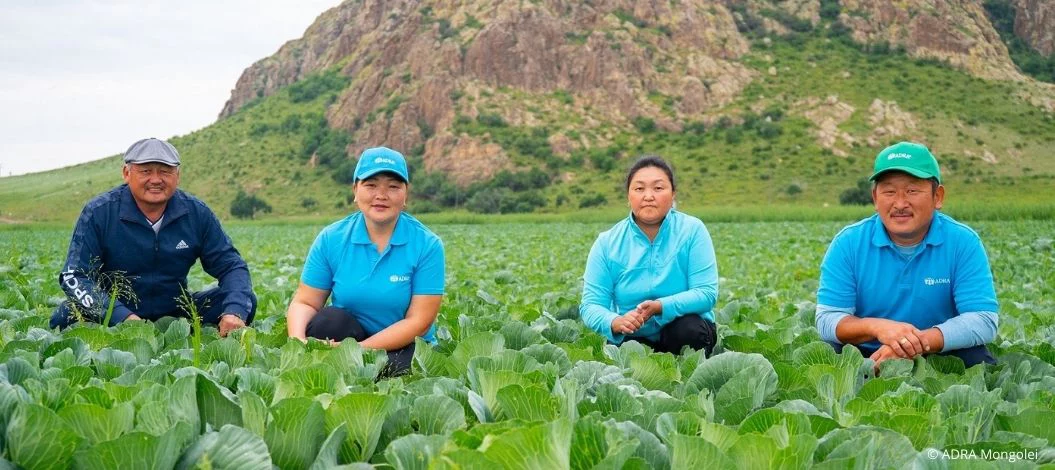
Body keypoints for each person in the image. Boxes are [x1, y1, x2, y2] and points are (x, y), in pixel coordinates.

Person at [816, 141, 998, 369]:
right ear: (874, 198)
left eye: (912, 191)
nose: (900, 203)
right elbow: (827, 319)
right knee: (829, 355)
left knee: (978, 361)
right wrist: (878, 327)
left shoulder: (963, 242)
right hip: (870, 353)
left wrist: (913, 344)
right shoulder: (848, 243)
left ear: (937, 196)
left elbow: (983, 320)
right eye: (889, 191)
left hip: (940, 351)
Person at [52, 138, 256, 336]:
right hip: (114, 314)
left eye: (165, 171)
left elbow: (231, 266)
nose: (156, 180)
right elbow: (74, 276)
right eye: (146, 171)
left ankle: (181, 335)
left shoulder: (196, 213)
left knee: (242, 302)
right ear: (126, 173)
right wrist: (122, 317)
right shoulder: (100, 212)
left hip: (176, 312)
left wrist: (234, 311)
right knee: (65, 316)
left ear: (178, 175)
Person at [286, 147, 444, 376]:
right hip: (351, 336)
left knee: (395, 370)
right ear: (355, 190)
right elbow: (305, 303)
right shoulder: (332, 238)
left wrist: (358, 351)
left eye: (393, 186)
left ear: (405, 194)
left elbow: (418, 322)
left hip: (403, 346)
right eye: (371, 185)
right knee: (328, 322)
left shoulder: (427, 244)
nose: (381, 195)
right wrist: (297, 342)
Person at [579, 155, 719, 356]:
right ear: (628, 196)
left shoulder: (692, 230)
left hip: (682, 332)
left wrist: (660, 307)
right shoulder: (607, 243)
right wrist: (616, 322)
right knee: (625, 353)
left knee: (689, 330)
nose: (648, 196)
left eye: (658, 188)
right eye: (639, 188)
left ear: (673, 195)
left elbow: (706, 293)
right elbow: (591, 305)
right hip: (634, 334)